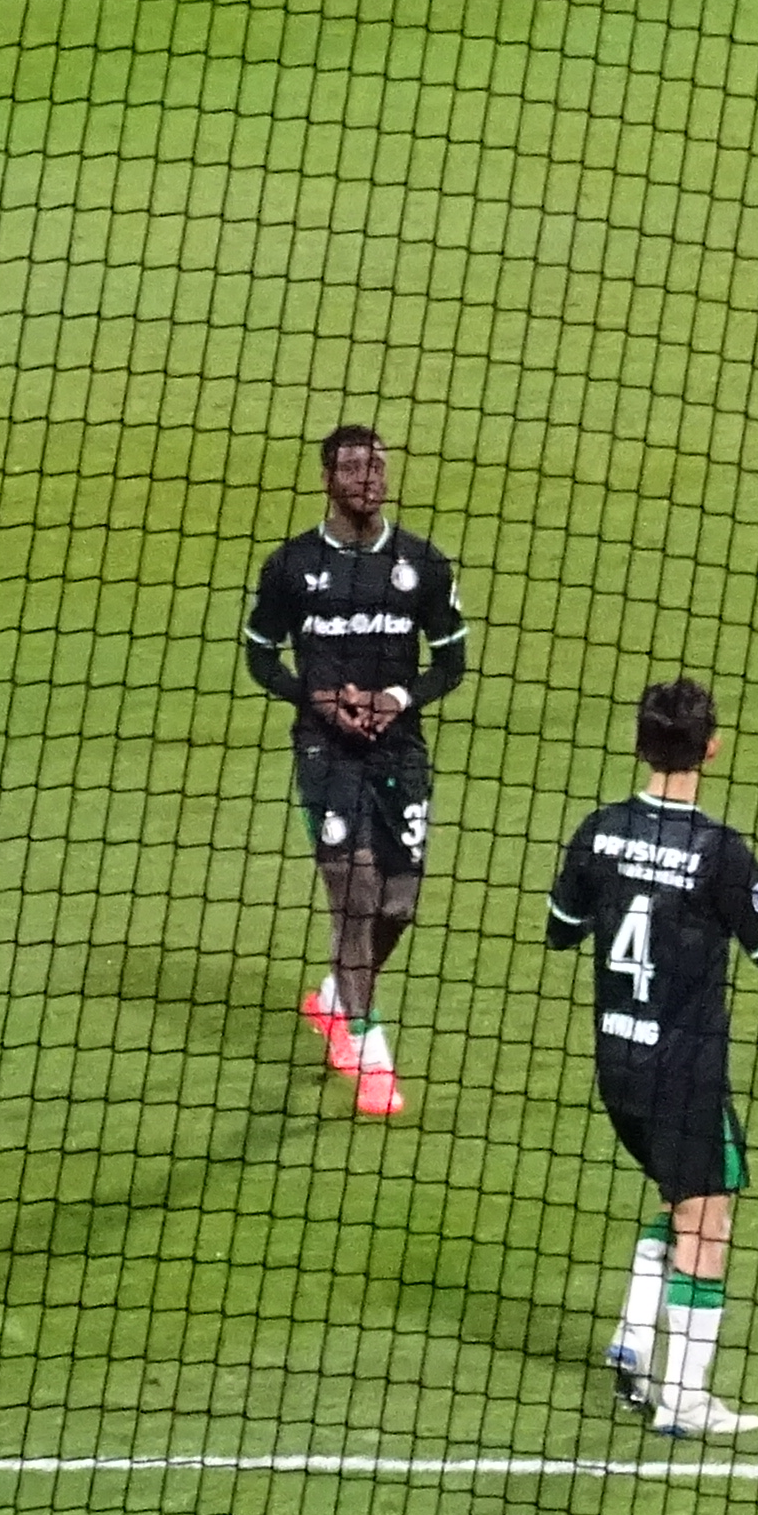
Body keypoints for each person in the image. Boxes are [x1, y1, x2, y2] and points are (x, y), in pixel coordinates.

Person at [546, 678, 758, 1439]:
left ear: (641, 744)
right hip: (684, 1066)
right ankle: (683, 1397)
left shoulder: (596, 829)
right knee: (707, 1223)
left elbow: (561, 927)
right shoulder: (719, 852)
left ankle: (632, 1335)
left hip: (617, 1059)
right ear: (711, 748)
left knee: (697, 1192)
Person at [241, 423, 467, 1117]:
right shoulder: (291, 567)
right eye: (353, 467)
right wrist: (312, 697)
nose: (370, 477)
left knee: (399, 904)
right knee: (355, 886)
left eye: (378, 465)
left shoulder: (422, 565)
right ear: (326, 480)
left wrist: (394, 700)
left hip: (400, 750)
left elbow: (450, 663)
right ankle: (368, 1050)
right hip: (324, 749)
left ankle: (337, 997)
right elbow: (260, 655)